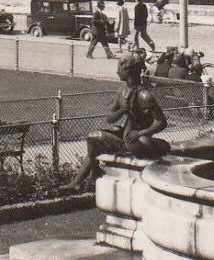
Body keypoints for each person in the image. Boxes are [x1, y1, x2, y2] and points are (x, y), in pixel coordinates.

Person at [68, 52, 170, 190]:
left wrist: (140, 133)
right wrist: (122, 110)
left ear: (128, 72)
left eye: (119, 69)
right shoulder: (122, 91)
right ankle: (86, 176)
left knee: (107, 142)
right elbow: (109, 118)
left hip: (137, 139)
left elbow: (161, 122)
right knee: (93, 138)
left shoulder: (144, 95)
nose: (117, 71)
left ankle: (83, 179)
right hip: (126, 135)